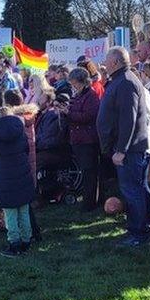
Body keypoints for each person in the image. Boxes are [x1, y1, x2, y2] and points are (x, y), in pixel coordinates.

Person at [96, 46, 150, 248]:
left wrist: (121, 149)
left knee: (132, 190)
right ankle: (146, 224)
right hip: (131, 148)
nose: (104, 63)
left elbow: (128, 119)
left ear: (116, 62)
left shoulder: (127, 82)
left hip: (130, 149)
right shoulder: (121, 80)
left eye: (107, 60)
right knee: (139, 187)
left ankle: (138, 233)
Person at [0, 112, 36, 257]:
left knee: (10, 214)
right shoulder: (20, 132)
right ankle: (27, 240)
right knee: (24, 211)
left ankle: (14, 243)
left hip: (5, 179)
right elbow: (26, 150)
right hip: (22, 176)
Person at [64, 66, 100, 211]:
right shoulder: (78, 95)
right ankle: (86, 199)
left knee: (89, 172)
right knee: (84, 171)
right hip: (78, 138)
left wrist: (69, 113)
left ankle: (89, 203)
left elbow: (89, 116)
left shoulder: (91, 95)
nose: (73, 86)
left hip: (88, 140)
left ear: (83, 82)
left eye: (75, 83)